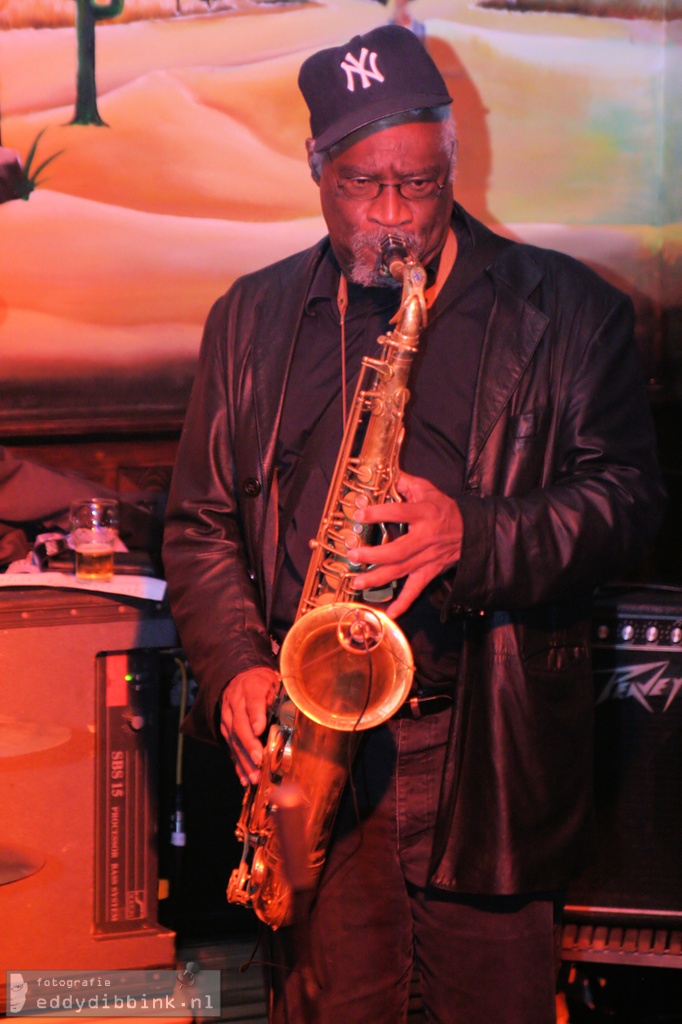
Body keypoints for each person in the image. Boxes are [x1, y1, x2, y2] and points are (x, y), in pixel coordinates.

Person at [163, 24, 665, 1024]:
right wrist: (239, 670)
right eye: (361, 184)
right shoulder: (249, 318)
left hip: (486, 748)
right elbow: (199, 524)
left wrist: (471, 537)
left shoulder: (572, 312)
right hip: (314, 750)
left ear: (451, 162)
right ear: (316, 168)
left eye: (421, 185)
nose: (394, 216)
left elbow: (630, 506)